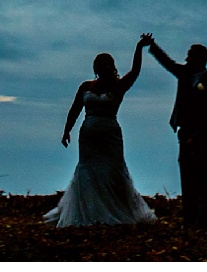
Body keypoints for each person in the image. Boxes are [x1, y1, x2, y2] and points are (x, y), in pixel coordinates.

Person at [43, 33, 158, 227]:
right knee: (87, 170)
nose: (103, 68)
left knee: (112, 170)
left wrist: (139, 48)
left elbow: (135, 71)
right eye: (99, 64)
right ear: (96, 68)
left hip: (110, 135)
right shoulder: (86, 86)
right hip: (88, 135)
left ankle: (115, 209)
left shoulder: (119, 86)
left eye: (106, 64)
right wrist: (67, 130)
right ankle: (88, 210)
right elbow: (75, 109)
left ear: (111, 67)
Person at [146, 35, 207, 230]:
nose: (187, 58)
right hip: (185, 134)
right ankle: (189, 221)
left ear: (200, 59)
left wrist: (195, 137)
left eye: (190, 55)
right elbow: (168, 63)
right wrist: (153, 46)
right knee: (187, 181)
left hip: (202, 139)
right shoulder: (185, 75)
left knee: (202, 181)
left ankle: (202, 221)